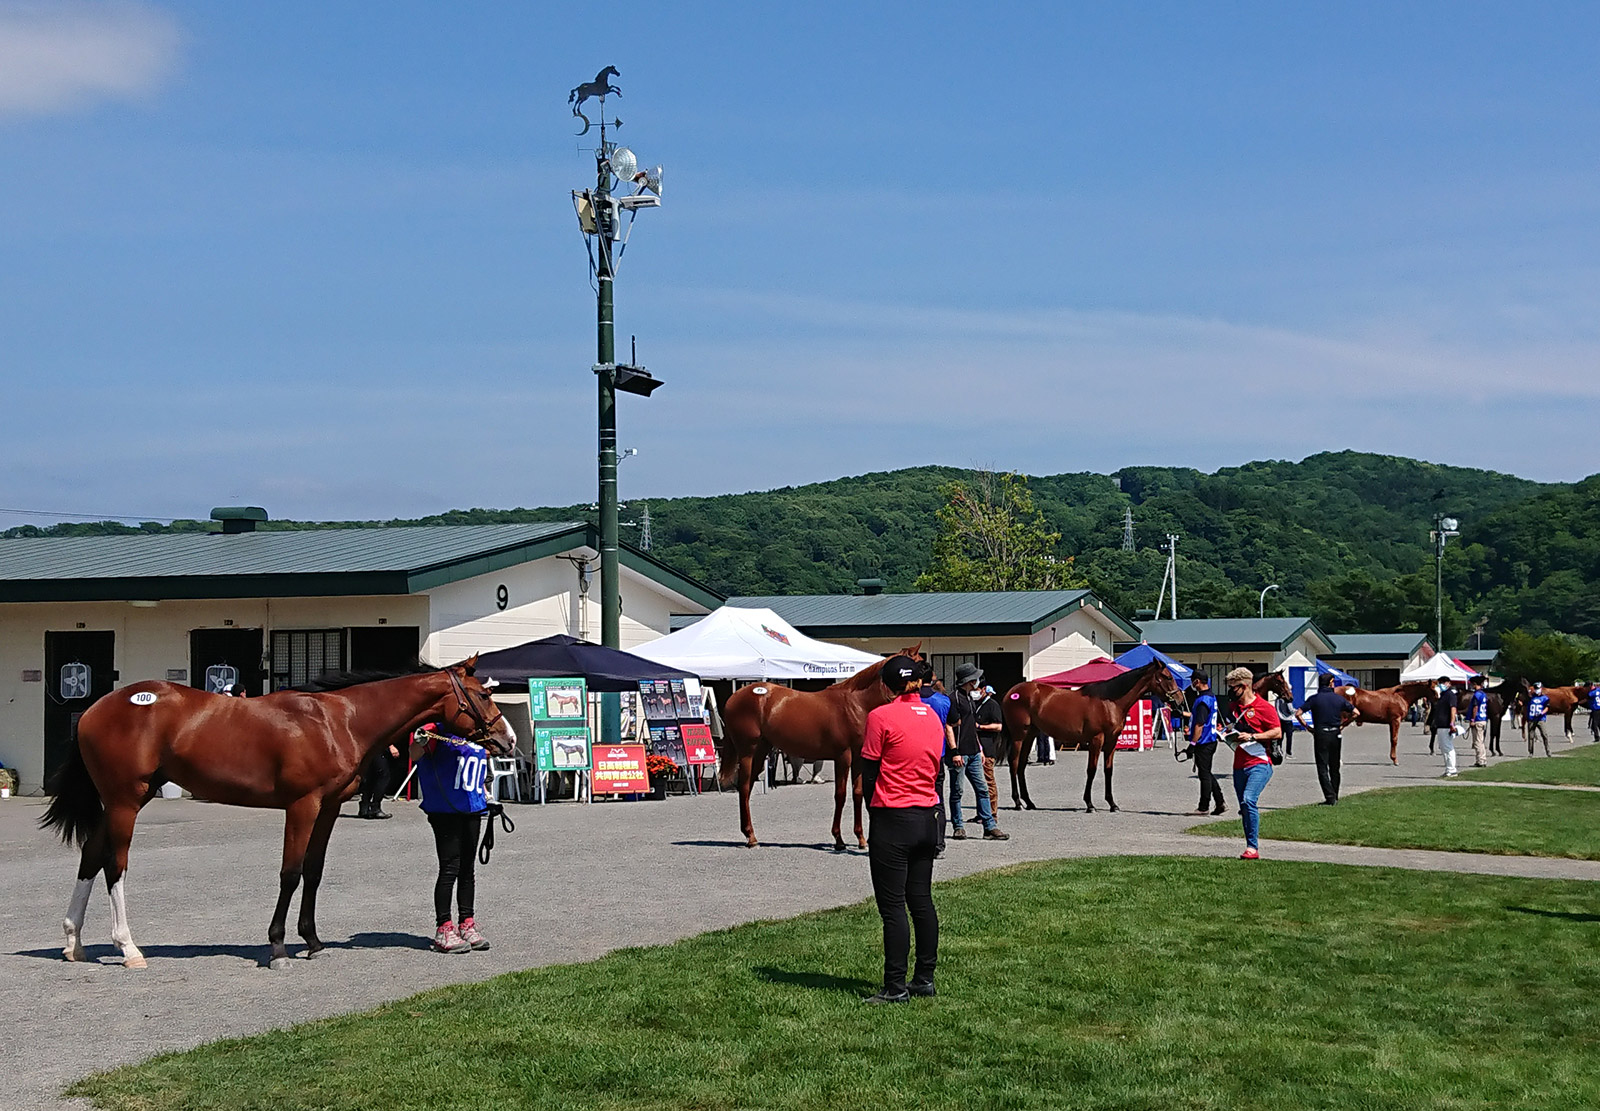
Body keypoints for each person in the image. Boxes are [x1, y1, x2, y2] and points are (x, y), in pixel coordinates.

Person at [859, 655, 945, 1004]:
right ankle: (924, 977)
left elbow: (869, 771)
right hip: (927, 815)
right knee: (921, 900)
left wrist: (872, 810)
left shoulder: (880, 717)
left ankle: (894, 986)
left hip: (893, 816)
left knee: (892, 907)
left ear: (886, 686)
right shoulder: (933, 716)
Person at [409, 723, 492, 953]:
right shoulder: (437, 730)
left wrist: (486, 793)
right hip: (445, 808)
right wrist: (420, 739)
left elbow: (479, 768)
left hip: (472, 806)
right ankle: (444, 927)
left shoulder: (474, 732)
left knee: (467, 868)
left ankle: (467, 923)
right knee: (450, 868)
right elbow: (414, 754)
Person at [1222, 667, 1281, 860]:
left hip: (1260, 762)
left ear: (1244, 686)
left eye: (1233, 687)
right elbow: (1230, 726)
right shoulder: (1234, 708)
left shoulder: (1264, 707)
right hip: (1239, 763)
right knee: (1244, 807)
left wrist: (1253, 736)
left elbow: (1277, 732)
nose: (1231, 691)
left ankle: (1253, 848)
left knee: (1249, 799)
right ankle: (1250, 845)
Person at [945, 662, 1008, 840]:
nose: (977, 681)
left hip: (973, 752)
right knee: (957, 792)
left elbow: (971, 726)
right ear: (969, 680)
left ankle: (989, 826)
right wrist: (954, 751)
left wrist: (980, 749)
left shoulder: (970, 699)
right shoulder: (954, 699)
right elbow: (949, 727)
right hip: (960, 753)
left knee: (983, 789)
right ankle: (958, 826)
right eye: (975, 678)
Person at [1293, 674, 1356, 804]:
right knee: (1334, 766)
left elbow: (1298, 713)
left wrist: (1308, 727)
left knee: (1322, 767)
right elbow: (1356, 713)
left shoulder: (1314, 699)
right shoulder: (1339, 699)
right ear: (1331, 683)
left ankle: (1329, 797)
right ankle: (1335, 795)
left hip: (1320, 733)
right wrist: (1343, 725)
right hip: (1335, 733)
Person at [1186, 671, 1226, 816]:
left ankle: (1204, 807)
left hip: (1204, 741)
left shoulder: (1203, 700)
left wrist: (1192, 744)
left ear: (1197, 681)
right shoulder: (1211, 697)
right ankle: (1220, 802)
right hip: (1210, 739)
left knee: (1204, 775)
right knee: (1206, 772)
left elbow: (1200, 724)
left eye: (1192, 681)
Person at [974, 684, 1005, 815]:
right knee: (979, 784)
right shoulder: (976, 704)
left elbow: (998, 727)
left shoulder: (992, 705)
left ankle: (992, 813)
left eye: (977, 689)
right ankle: (981, 813)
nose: (975, 692)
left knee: (988, 781)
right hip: (976, 748)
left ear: (984, 690)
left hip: (987, 748)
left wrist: (980, 727)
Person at [357, 742, 404, 819]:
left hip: (369, 747)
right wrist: (391, 746)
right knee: (383, 776)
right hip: (379, 748)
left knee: (371, 776)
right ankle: (375, 808)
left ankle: (365, 806)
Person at [1431, 680, 1460, 777]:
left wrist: (1452, 723)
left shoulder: (1450, 695)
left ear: (1449, 684)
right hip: (1440, 724)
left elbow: (1453, 709)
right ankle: (1448, 768)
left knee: (1448, 747)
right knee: (1443, 748)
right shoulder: (1442, 695)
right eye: (1440, 683)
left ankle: (1452, 769)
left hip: (1446, 724)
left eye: (1444, 683)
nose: (1441, 685)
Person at [1466, 675, 1491, 767]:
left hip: (1477, 719)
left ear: (1475, 684)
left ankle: (1481, 760)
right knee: (1480, 741)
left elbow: (1475, 707)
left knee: (1477, 742)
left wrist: (1472, 719)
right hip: (1483, 719)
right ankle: (1481, 759)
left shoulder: (1476, 695)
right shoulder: (1483, 694)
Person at [1526, 682, 1551, 756]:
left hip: (1540, 719)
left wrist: (1542, 713)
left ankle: (1548, 751)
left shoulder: (1545, 698)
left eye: (1538, 688)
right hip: (1532, 718)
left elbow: (1547, 707)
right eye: (1536, 689)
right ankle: (1530, 752)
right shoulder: (1530, 697)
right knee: (1531, 736)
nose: (1537, 690)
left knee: (1544, 734)